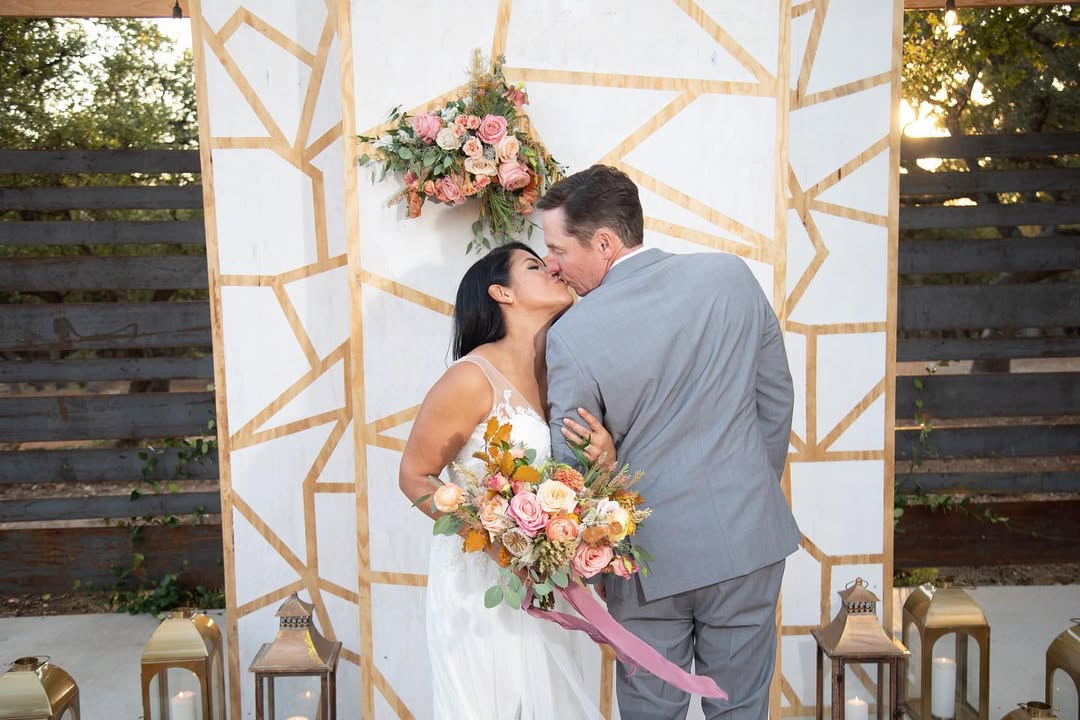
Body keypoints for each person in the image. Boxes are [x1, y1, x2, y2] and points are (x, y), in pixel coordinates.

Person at [540, 165, 801, 720]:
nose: (554, 266)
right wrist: (749, 490)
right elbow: (775, 398)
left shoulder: (571, 337)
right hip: (746, 542)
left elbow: (571, 469)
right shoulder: (731, 277)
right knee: (743, 709)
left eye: (557, 248)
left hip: (645, 561)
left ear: (605, 243)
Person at [398, 241, 614, 720]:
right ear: (502, 293)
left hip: (545, 581)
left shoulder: (563, 376)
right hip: (480, 587)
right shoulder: (471, 377)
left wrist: (603, 459)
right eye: (536, 266)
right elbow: (414, 476)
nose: (554, 268)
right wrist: (492, 534)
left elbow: (571, 479)